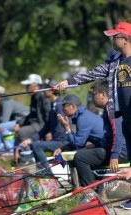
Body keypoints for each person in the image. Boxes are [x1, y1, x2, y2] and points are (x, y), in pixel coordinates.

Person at [56, 21, 131, 209]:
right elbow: (92, 74)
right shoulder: (115, 61)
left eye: (115, 36)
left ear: (126, 39)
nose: (112, 40)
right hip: (124, 116)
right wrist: (70, 81)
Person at [73, 80, 128, 187]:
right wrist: (96, 145)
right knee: (84, 152)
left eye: (94, 95)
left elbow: (118, 133)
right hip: (117, 149)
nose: (92, 98)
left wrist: (114, 155)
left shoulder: (111, 109)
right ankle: (96, 185)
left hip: (121, 152)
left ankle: (89, 191)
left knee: (80, 157)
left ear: (102, 94)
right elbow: (109, 136)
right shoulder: (109, 108)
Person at [20, 79, 69, 169]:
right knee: (34, 144)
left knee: (36, 145)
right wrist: (30, 139)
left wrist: (50, 137)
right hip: (58, 140)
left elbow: (61, 127)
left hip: (63, 141)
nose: (43, 91)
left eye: (44, 89)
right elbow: (46, 127)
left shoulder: (59, 105)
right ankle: (42, 170)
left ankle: (47, 171)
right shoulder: (53, 105)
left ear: (51, 90)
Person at [14, 74, 51, 163]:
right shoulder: (34, 96)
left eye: (28, 85)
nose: (26, 88)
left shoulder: (43, 96)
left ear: (36, 86)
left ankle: (28, 159)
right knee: (19, 129)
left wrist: (49, 131)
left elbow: (48, 114)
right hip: (35, 123)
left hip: (42, 125)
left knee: (22, 132)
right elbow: (31, 114)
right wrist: (19, 123)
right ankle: (19, 156)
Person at [0, 85, 29, 149]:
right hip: (17, 121)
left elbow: (4, 121)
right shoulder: (1, 103)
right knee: (1, 126)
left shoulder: (6, 103)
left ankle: (10, 150)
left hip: (24, 121)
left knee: (2, 127)